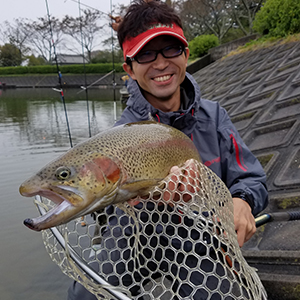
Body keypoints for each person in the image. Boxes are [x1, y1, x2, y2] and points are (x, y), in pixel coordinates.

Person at [68, 1, 268, 299]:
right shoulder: (117, 136)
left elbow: (252, 180)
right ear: (130, 69)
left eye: (171, 49)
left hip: (202, 240)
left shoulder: (214, 118)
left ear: (186, 55)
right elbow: (104, 214)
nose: (160, 63)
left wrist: (242, 202)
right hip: (135, 238)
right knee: (85, 293)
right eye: (146, 54)